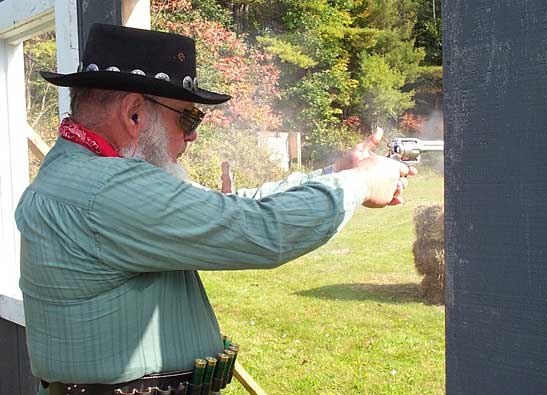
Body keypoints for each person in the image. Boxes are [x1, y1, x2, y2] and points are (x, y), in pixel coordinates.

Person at [15, 24, 416, 395]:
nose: (192, 134)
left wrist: (334, 172)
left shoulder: (86, 175)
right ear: (134, 112)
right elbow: (262, 231)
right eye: (188, 116)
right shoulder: (106, 188)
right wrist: (360, 184)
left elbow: (224, 209)